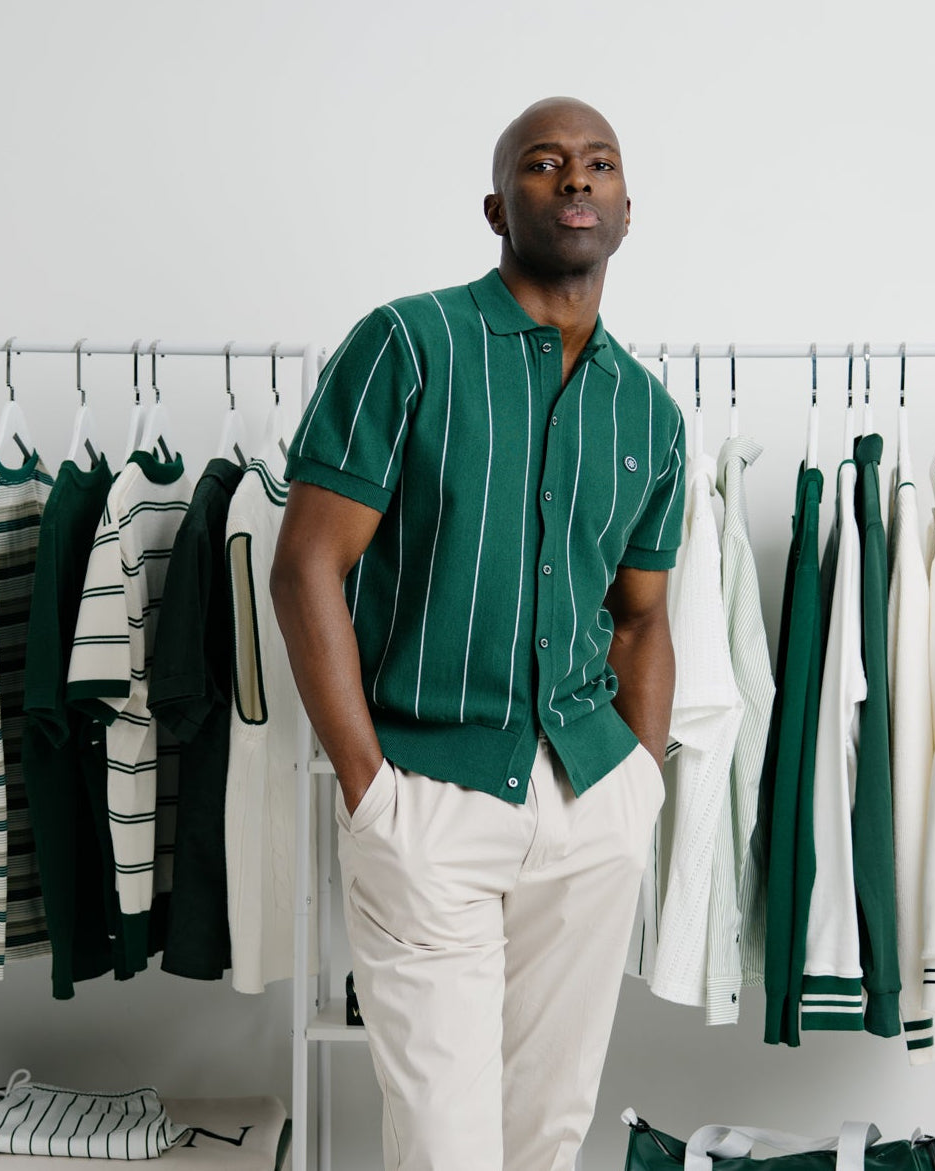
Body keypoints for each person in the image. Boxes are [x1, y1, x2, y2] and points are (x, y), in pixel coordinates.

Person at [271, 96, 685, 1171]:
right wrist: (369, 789)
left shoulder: (649, 414)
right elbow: (307, 564)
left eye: (599, 164)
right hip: (428, 801)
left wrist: (634, 785)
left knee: (545, 1133)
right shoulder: (407, 345)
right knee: (446, 1145)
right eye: (545, 164)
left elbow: (640, 622)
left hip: (590, 803)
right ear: (498, 205)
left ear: (629, 209)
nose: (576, 179)